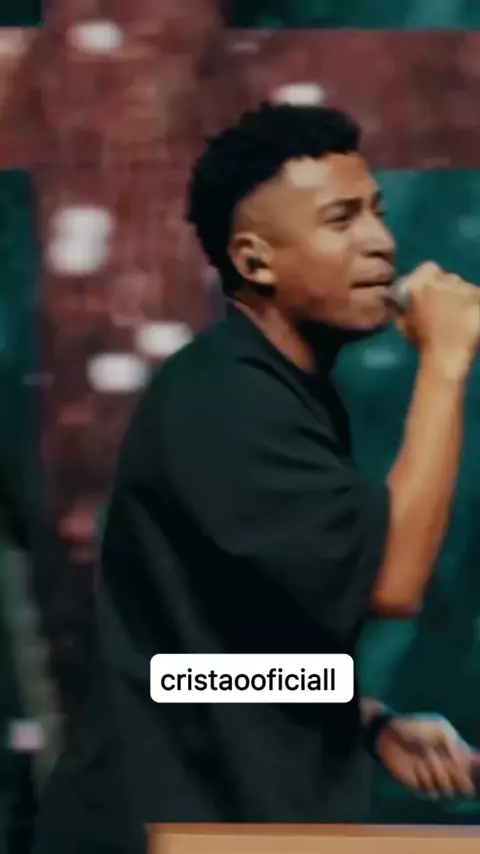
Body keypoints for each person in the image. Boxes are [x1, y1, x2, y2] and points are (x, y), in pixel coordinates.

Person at [32, 103, 480, 852]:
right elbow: (391, 581)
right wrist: (445, 360)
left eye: (376, 211)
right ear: (255, 261)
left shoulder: (272, 389)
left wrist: (362, 721)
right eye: (341, 221)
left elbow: (194, 667)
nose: (381, 241)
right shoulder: (227, 400)